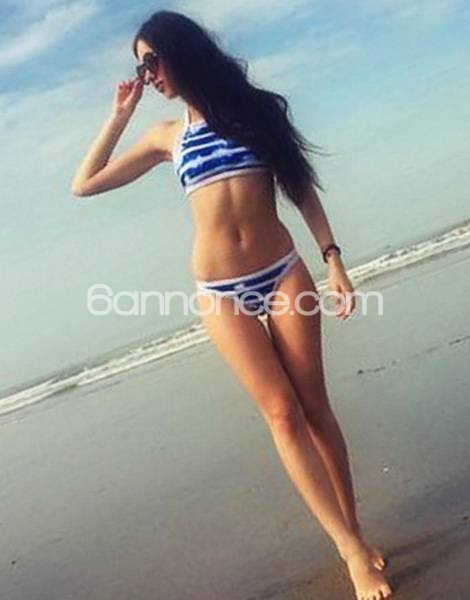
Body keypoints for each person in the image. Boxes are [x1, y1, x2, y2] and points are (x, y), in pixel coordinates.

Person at [71, 10, 392, 600]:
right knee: (282, 414)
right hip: (221, 292)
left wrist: (333, 259)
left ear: (181, 51)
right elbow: (84, 184)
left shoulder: (256, 112)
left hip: (282, 274)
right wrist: (120, 115)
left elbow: (301, 189)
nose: (146, 76)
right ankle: (348, 550)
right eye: (139, 68)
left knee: (315, 407)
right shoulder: (166, 137)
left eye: (151, 62)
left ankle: (355, 530)